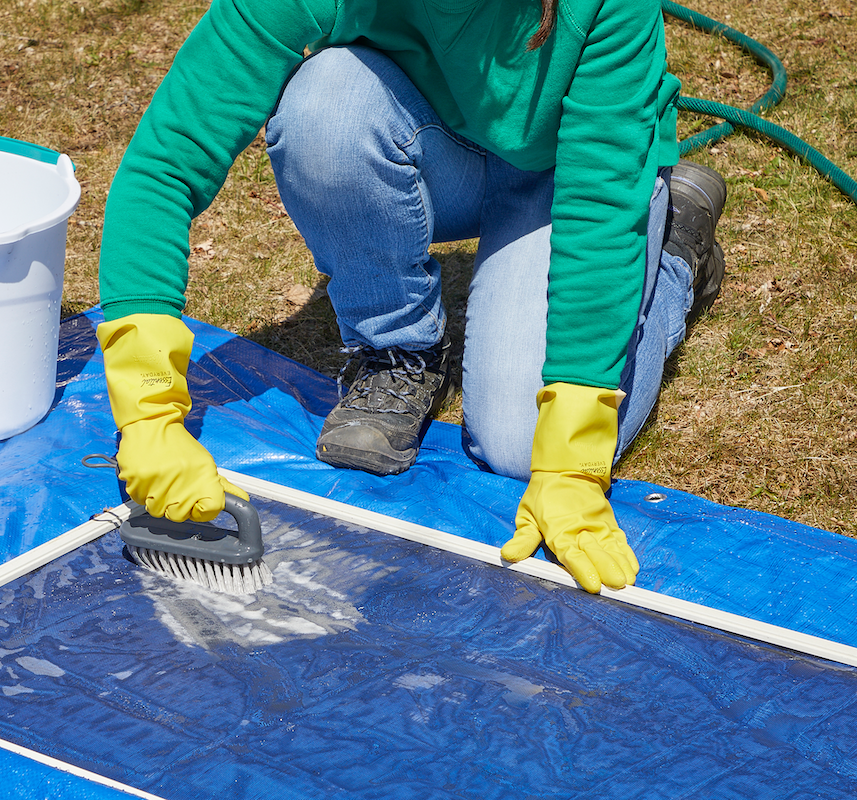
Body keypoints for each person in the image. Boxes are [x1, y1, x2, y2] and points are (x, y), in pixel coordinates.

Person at [94, 0, 728, 593]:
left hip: (565, 173)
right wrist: (149, 412)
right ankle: (398, 352)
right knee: (325, 107)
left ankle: (671, 256)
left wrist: (572, 461)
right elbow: (166, 161)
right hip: (431, 140)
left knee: (520, 443)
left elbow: (597, 207)